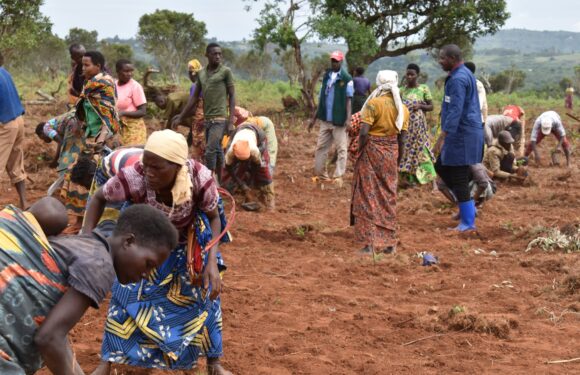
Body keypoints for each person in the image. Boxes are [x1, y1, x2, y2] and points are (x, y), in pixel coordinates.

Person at [83, 130, 232, 375]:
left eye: (157, 167)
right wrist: (86, 239)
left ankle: (214, 364)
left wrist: (211, 262)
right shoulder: (134, 177)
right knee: (124, 293)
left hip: (188, 244)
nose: (149, 172)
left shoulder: (200, 178)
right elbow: (99, 198)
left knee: (206, 295)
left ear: (177, 166)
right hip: (144, 244)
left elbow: (215, 217)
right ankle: (106, 363)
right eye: (146, 165)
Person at [0, 198, 177, 374]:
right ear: (129, 242)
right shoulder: (101, 264)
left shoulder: (80, 245)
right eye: (148, 264)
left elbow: (57, 336)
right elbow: (49, 339)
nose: (146, 275)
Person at [351, 70, 409, 255]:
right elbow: (403, 139)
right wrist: (397, 159)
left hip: (371, 151)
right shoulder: (402, 109)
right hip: (391, 153)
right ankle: (390, 242)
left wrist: (360, 151)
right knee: (388, 195)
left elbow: (363, 132)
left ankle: (369, 244)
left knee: (368, 195)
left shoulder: (373, 104)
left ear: (378, 82)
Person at [433, 45, 483, 232]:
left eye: (442, 58)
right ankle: (467, 206)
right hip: (462, 132)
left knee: (459, 176)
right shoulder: (462, 75)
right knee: (441, 166)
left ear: (453, 58)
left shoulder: (458, 79)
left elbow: (455, 109)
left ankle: (468, 222)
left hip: (460, 133)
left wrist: (443, 136)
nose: (440, 61)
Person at [173, 43, 236, 183]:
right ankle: (221, 183)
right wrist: (181, 116)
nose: (218, 56)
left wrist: (230, 121)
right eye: (214, 54)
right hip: (207, 120)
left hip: (220, 119)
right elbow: (194, 98)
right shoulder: (201, 74)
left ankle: (208, 182)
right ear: (207, 55)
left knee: (210, 151)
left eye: (220, 54)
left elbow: (232, 96)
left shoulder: (225, 72)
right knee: (218, 151)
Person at [308, 50, 353, 188]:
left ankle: (338, 177)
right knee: (321, 147)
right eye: (332, 60)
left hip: (339, 121)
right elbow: (322, 98)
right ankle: (321, 175)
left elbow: (349, 100)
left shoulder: (347, 79)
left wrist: (349, 119)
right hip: (325, 120)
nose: (334, 63)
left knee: (341, 149)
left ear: (341, 62)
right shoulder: (327, 76)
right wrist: (314, 118)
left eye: (336, 61)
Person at [398, 63, 437, 186]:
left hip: (419, 128)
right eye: (407, 74)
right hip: (405, 127)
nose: (409, 77)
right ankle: (410, 180)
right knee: (406, 151)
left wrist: (420, 106)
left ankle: (431, 181)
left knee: (422, 150)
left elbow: (431, 106)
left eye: (412, 74)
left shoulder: (424, 88)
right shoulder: (401, 90)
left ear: (417, 75)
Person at [222, 122, 275, 210]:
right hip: (238, 131)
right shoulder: (231, 151)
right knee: (233, 173)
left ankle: (268, 199)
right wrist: (241, 184)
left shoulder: (255, 150)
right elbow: (228, 167)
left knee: (263, 170)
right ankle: (236, 194)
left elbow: (257, 166)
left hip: (257, 134)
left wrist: (250, 183)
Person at [76, 51, 120, 146]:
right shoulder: (89, 83)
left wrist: (101, 138)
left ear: (98, 66)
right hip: (91, 132)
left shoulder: (104, 83)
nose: (83, 68)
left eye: (87, 65)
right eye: (82, 65)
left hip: (103, 137)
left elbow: (109, 112)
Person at [0, 62, 27, 209]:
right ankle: (24, 203)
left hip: (5, 124)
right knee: (16, 163)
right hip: (18, 120)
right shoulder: (4, 71)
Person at [233, 106, 278, 174]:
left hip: (262, 126)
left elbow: (258, 161)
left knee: (266, 163)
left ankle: (270, 167)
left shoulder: (253, 148)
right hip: (245, 126)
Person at [115, 59, 148, 146]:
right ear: (118, 71)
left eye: (131, 71)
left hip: (134, 128)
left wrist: (123, 113)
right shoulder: (113, 85)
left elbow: (142, 111)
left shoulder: (135, 86)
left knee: (132, 153)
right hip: (119, 128)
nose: (129, 74)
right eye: (126, 71)